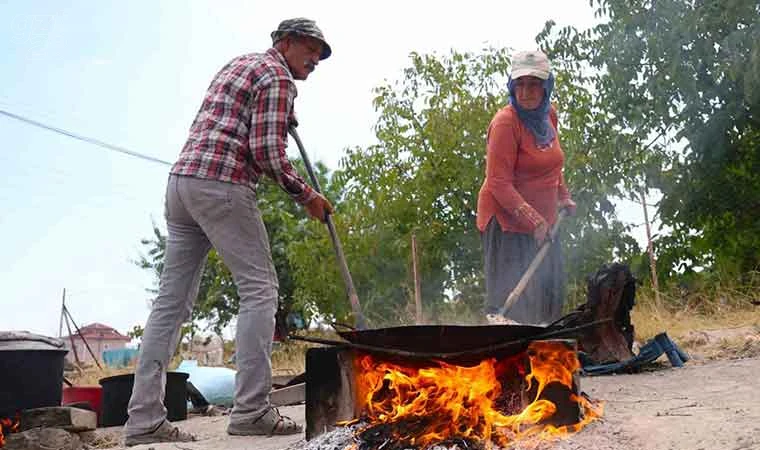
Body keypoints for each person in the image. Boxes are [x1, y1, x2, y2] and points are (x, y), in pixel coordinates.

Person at [123, 18, 334, 446]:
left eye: (320, 54)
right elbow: (266, 153)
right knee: (260, 290)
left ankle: (144, 419)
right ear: (286, 42)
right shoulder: (277, 76)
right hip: (222, 185)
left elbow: (230, 123)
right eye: (311, 49)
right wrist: (307, 195)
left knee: (171, 305)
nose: (315, 60)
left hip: (182, 185)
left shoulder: (239, 64)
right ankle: (252, 410)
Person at [476, 50, 576, 326]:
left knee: (548, 294)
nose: (526, 92)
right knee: (513, 306)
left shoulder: (549, 117)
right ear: (511, 86)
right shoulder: (505, 123)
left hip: (543, 221)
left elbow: (553, 163)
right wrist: (533, 220)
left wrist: (563, 196)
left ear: (546, 87)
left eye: (533, 84)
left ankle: (545, 359)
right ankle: (509, 358)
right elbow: (498, 182)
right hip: (507, 222)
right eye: (519, 84)